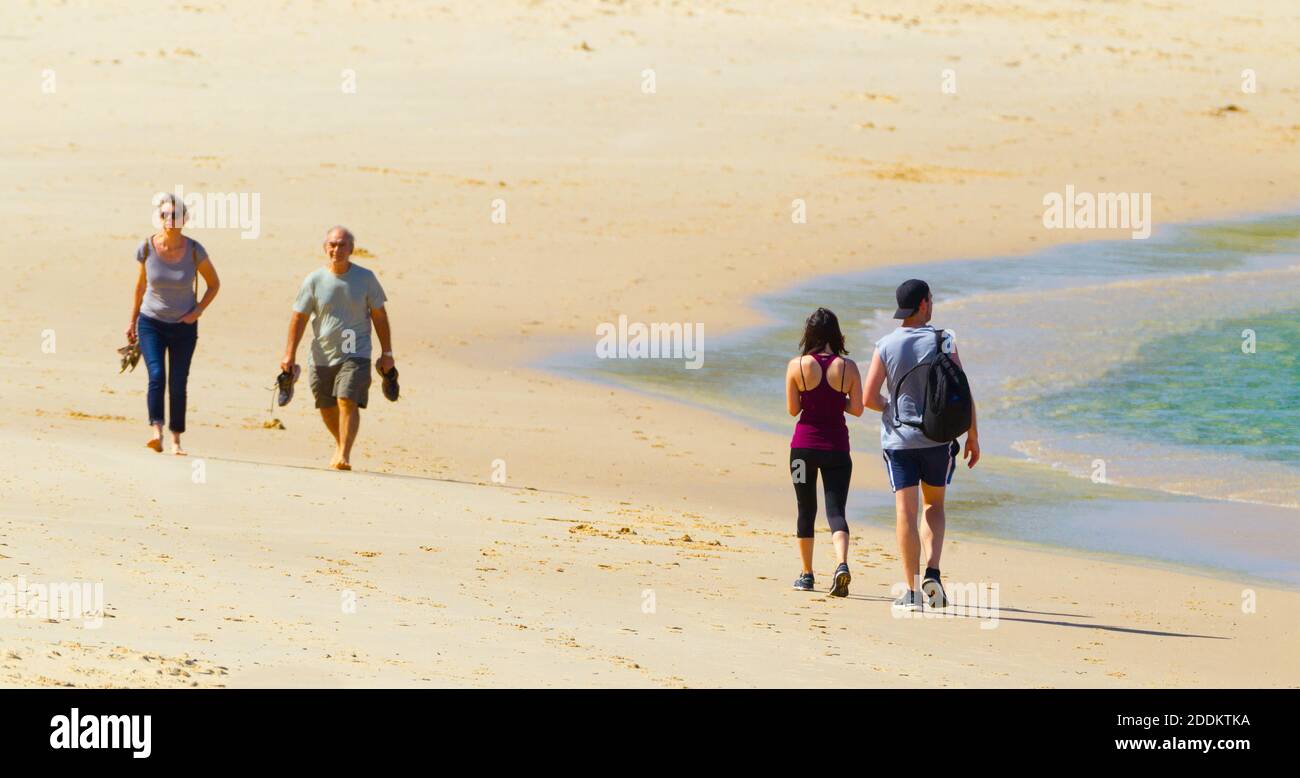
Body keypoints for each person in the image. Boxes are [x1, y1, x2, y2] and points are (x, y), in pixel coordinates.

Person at [862, 280, 979, 612]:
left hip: (899, 441)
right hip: (937, 439)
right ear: (925, 304)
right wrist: (973, 435)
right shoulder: (944, 340)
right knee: (934, 506)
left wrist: (892, 408)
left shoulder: (885, 344)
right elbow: (962, 391)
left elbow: (869, 398)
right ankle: (933, 572)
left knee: (905, 512)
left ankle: (911, 591)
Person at [280, 226, 395, 470]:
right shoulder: (314, 280)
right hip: (322, 353)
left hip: (356, 351)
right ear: (325, 248)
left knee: (347, 399)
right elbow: (298, 317)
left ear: (352, 249)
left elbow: (380, 316)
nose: (337, 249)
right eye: (332, 244)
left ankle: (344, 453)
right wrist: (289, 354)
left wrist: (387, 354)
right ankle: (340, 442)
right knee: (326, 405)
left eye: (343, 245)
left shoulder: (366, 278)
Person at [126, 193, 221, 455]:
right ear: (159, 218)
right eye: (164, 215)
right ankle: (156, 431)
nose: (169, 220)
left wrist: (197, 311)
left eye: (175, 215)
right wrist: (132, 320)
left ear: (185, 219)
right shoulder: (146, 247)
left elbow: (214, 285)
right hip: (151, 322)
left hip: (183, 326)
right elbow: (140, 286)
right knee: (157, 375)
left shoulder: (194, 250)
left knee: (178, 381)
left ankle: (176, 439)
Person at [786, 308, 864, 597]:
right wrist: (836, 401)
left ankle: (807, 575)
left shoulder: (797, 366)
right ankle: (841, 563)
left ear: (809, 334)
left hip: (802, 449)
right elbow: (856, 409)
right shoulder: (848, 367)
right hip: (837, 450)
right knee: (836, 511)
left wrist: (815, 398)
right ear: (836, 333)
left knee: (805, 510)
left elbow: (793, 409)